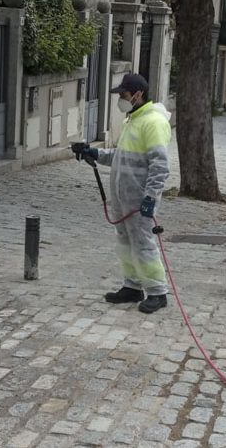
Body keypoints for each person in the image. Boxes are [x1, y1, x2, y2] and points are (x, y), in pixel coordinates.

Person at [75, 73, 172, 314]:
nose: (121, 98)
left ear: (138, 94)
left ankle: (158, 292)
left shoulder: (153, 122)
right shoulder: (134, 120)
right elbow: (122, 157)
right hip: (123, 197)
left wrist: (150, 197)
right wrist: (94, 153)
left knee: (143, 244)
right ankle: (132, 286)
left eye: (124, 94)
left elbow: (160, 166)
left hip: (140, 199)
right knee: (126, 243)